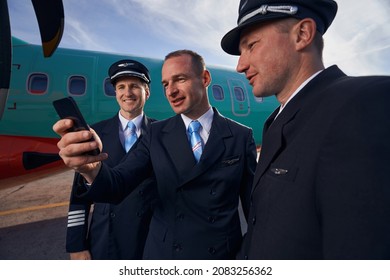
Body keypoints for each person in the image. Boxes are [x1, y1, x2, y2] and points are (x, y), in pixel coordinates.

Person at [220, 0, 390, 259]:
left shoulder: (364, 103)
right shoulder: (278, 120)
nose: (240, 65)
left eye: (251, 46)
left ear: (302, 35)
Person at [54, 50, 257, 259]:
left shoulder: (241, 136)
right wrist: (90, 169)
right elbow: (117, 183)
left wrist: (248, 256)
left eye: (180, 79)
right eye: (166, 84)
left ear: (205, 78)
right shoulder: (155, 134)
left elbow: (256, 212)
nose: (171, 91)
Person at [66, 59, 157, 260]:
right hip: (105, 238)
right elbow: (79, 196)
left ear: (147, 92)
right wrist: (76, 245)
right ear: (115, 93)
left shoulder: (162, 133)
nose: (127, 93)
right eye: (121, 87)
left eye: (135, 86)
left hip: (150, 237)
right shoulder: (95, 132)